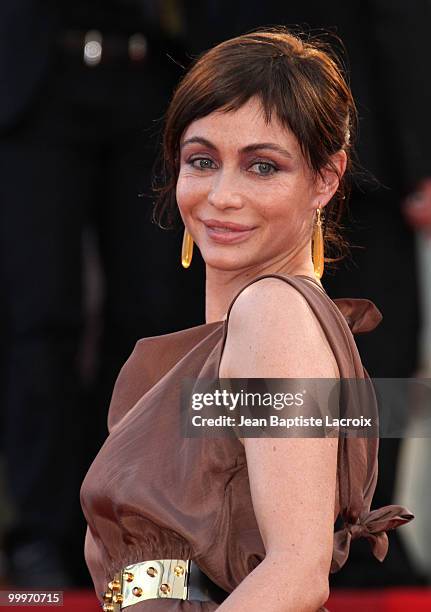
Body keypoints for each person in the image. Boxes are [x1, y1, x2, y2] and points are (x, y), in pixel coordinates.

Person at [80, 28, 413, 611]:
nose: (222, 195)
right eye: (202, 161)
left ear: (327, 179)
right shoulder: (238, 334)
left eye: (262, 167)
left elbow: (296, 570)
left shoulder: (274, 315)